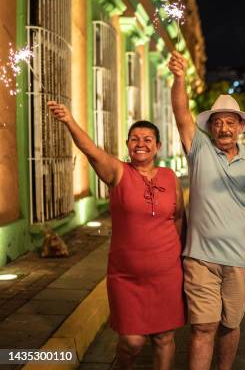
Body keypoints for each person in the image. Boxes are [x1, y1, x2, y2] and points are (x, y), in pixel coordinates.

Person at [47, 101, 185, 370]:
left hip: (166, 274)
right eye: (135, 139)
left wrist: (176, 256)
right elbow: (91, 151)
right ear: (127, 144)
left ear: (158, 146)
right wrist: (69, 121)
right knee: (131, 342)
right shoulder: (118, 172)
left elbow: (178, 216)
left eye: (147, 139)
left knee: (164, 337)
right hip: (127, 276)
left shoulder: (170, 177)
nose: (141, 143)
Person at [168, 52, 245, 370]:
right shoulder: (200, 149)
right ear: (210, 127)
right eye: (217, 122)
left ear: (240, 126)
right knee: (202, 327)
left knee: (230, 325)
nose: (223, 127)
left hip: (240, 260)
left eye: (230, 122)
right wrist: (180, 78)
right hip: (201, 258)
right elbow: (181, 112)